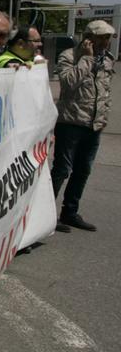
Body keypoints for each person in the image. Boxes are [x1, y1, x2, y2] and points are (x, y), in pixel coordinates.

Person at [51, 20, 115, 232]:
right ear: (89, 37)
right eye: (102, 37)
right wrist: (86, 59)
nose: (106, 42)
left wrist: (103, 116)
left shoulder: (107, 59)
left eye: (109, 38)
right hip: (71, 122)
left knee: (83, 170)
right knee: (62, 170)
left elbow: (104, 90)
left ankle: (70, 212)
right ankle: (47, 214)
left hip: (93, 124)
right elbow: (68, 82)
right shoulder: (69, 56)